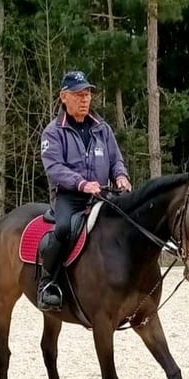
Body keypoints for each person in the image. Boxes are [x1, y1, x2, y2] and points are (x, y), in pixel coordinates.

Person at [37, 70, 132, 311]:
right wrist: (81, 183)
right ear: (63, 97)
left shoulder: (103, 129)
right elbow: (55, 168)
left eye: (87, 93)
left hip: (101, 193)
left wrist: (120, 176)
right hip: (69, 196)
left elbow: (115, 160)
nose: (85, 99)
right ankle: (48, 284)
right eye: (78, 94)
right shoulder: (53, 132)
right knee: (64, 228)